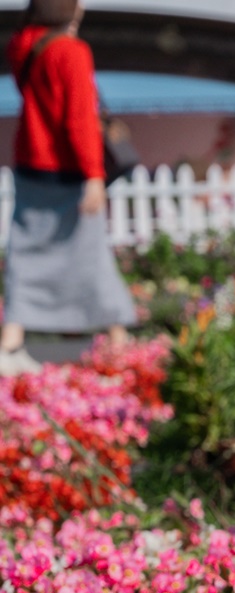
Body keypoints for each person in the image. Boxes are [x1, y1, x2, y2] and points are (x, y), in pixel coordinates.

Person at [2, 0, 134, 376]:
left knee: (26, 252)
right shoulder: (72, 52)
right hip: (69, 168)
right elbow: (79, 118)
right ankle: (118, 340)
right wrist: (94, 175)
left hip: (30, 161)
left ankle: (10, 341)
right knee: (89, 252)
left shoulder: (22, 45)